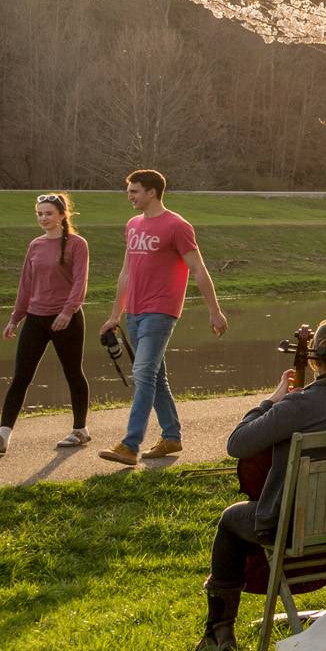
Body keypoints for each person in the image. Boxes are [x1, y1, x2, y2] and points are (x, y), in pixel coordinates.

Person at [200, 317, 326, 651]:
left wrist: (271, 401)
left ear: (315, 358)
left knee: (231, 519)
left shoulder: (298, 405)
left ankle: (219, 632)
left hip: (295, 528)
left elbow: (238, 444)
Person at [97, 169, 228, 466]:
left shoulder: (177, 226)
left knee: (143, 373)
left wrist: (214, 310)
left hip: (161, 311)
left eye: (134, 191)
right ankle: (171, 436)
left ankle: (130, 445)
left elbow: (198, 269)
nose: (129, 197)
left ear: (152, 192)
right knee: (155, 377)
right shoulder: (132, 225)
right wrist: (115, 314)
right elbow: (126, 272)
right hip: (134, 312)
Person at [0, 192, 92, 454]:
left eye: (49, 213)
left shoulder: (77, 244)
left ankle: (80, 430)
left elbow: (80, 281)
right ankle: (2, 437)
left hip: (66, 320)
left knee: (73, 373)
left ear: (62, 215)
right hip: (36, 318)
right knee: (21, 376)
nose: (43, 218)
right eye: (40, 214)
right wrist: (15, 318)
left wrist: (68, 311)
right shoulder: (35, 245)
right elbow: (26, 285)